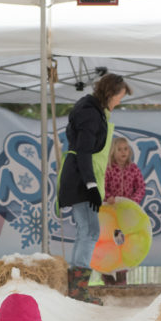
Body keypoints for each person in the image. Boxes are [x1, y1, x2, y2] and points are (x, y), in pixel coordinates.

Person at [57, 73, 131, 302]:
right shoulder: (90, 114)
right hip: (81, 178)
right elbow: (84, 151)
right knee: (89, 231)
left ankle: (77, 286)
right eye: (119, 96)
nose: (120, 101)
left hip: (85, 177)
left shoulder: (95, 111)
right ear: (110, 94)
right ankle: (78, 289)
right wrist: (90, 184)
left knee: (87, 231)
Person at [102, 135, 146, 286]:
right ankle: (106, 276)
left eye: (126, 149)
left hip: (126, 215)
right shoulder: (108, 169)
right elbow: (103, 188)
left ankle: (121, 277)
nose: (123, 152)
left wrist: (133, 202)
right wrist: (108, 197)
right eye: (119, 149)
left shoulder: (133, 169)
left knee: (122, 242)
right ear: (113, 152)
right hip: (110, 213)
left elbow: (141, 187)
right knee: (108, 243)